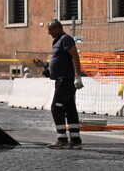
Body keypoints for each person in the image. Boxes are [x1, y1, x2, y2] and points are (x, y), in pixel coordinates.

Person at [35, 19, 84, 149]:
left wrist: (78, 76)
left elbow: (75, 56)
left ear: (57, 28)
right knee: (69, 109)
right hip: (60, 80)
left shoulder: (66, 39)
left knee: (56, 108)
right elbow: (60, 62)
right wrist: (45, 66)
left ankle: (61, 138)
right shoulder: (57, 41)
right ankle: (75, 139)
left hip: (66, 80)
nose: (48, 33)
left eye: (50, 30)